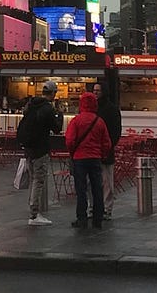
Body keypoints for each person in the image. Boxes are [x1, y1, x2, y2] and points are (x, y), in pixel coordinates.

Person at [18, 80, 63, 226]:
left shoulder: (31, 105)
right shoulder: (47, 109)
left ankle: (33, 210)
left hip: (29, 148)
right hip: (40, 148)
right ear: (53, 93)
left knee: (33, 179)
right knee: (39, 180)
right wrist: (59, 114)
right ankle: (34, 214)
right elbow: (56, 129)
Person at [64, 92, 111, 229]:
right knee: (97, 189)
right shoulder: (99, 121)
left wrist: (72, 152)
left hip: (80, 159)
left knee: (81, 189)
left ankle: (82, 218)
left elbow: (70, 140)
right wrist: (102, 155)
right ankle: (98, 218)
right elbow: (106, 143)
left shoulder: (76, 120)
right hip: (95, 158)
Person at [94, 81, 122, 218]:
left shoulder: (110, 109)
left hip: (105, 150)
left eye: (98, 90)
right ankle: (99, 207)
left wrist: (109, 145)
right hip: (96, 150)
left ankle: (106, 208)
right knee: (98, 181)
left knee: (106, 181)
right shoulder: (94, 108)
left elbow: (116, 131)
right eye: (94, 90)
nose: (95, 93)